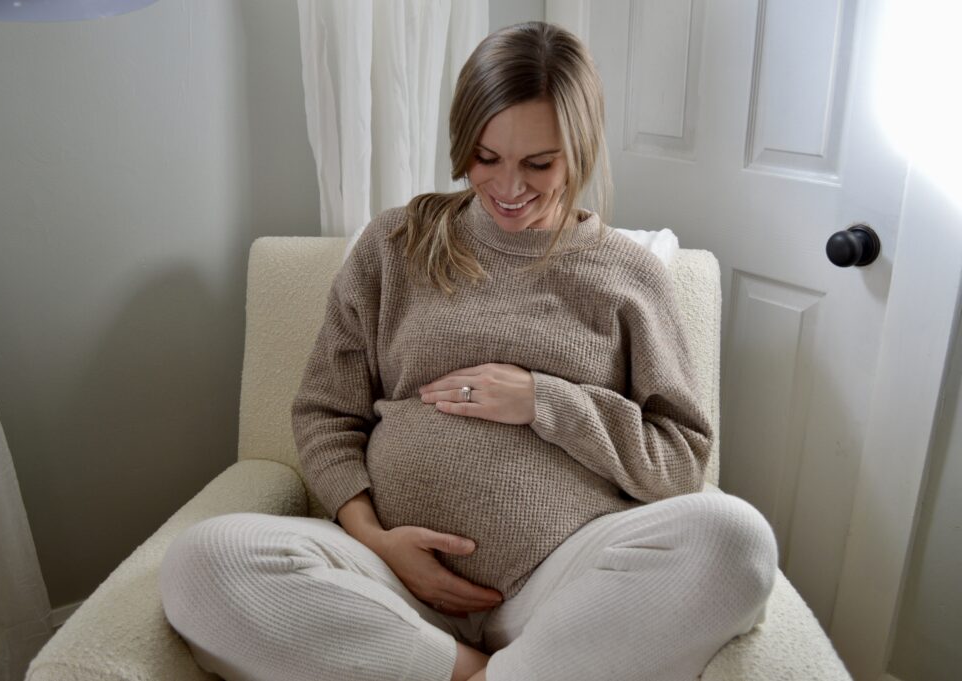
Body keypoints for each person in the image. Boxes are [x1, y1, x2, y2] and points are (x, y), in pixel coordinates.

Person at [159, 21, 778, 681]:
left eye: (538, 163)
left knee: (737, 539)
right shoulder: (394, 244)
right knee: (199, 565)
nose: (509, 186)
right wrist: (377, 540)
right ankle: (461, 668)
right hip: (389, 580)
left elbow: (680, 460)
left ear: (581, 147)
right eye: (486, 157)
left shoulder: (627, 276)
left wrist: (545, 401)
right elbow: (323, 413)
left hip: (562, 586)